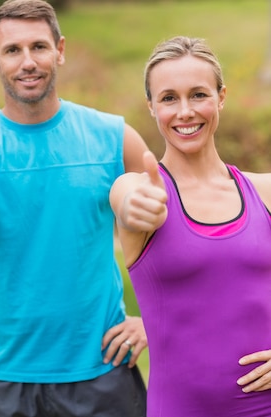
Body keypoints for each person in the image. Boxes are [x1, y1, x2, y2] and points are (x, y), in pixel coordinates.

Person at [0, 0, 150, 415]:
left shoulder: (114, 137)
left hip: (102, 368)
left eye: (39, 47)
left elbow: (177, 233)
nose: (27, 62)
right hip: (9, 374)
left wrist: (152, 321)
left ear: (60, 50)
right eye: (13, 50)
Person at [109, 35, 271, 417]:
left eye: (198, 94)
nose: (185, 111)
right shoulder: (140, 189)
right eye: (168, 98)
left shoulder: (265, 191)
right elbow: (127, 198)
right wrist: (135, 208)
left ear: (221, 97)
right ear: (151, 106)